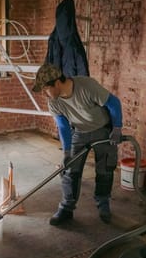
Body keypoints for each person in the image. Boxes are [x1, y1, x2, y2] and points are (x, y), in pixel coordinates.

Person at [32, 63, 123, 226]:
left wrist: (117, 127)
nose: (45, 94)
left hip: (102, 130)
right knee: (69, 170)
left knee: (105, 168)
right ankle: (66, 208)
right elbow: (63, 126)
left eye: (46, 88)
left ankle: (103, 204)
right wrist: (66, 152)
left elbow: (114, 103)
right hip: (79, 133)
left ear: (57, 82)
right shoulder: (54, 101)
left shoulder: (86, 85)